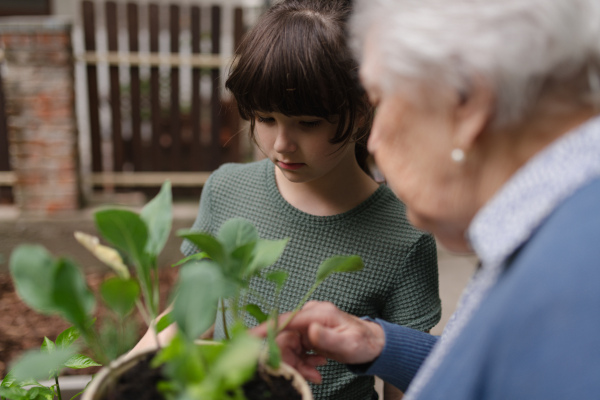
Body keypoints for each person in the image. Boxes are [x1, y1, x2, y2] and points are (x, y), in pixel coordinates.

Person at [253, 0, 600, 399]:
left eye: (380, 101)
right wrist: (378, 344)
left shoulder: (575, 285)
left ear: (466, 99)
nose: (376, 141)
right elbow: (500, 367)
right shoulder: (558, 230)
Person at [178, 1, 442, 399]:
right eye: (265, 120)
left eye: (307, 123)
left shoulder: (404, 235)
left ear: (359, 111)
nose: (282, 144)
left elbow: (405, 387)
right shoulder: (226, 189)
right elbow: (185, 323)